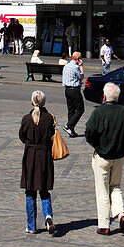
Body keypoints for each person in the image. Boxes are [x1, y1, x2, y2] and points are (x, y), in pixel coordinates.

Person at [85, 82, 124, 236]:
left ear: (104, 96)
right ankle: (120, 214)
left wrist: (95, 143)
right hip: (119, 156)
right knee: (116, 187)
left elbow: (89, 132)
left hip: (102, 156)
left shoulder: (99, 112)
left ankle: (104, 225)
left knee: (103, 191)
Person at [20, 90, 56, 234]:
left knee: (30, 191)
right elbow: (52, 135)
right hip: (45, 155)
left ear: (32, 102)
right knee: (44, 189)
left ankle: (31, 226)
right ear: (44, 103)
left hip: (30, 156)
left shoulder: (26, 119)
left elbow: (22, 136)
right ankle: (48, 215)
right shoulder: (49, 118)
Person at [62, 51, 85, 137]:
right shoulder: (75, 67)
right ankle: (68, 126)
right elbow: (81, 77)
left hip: (67, 89)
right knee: (80, 109)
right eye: (80, 58)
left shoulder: (66, 66)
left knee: (71, 110)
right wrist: (81, 66)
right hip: (75, 90)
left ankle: (71, 130)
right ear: (77, 59)